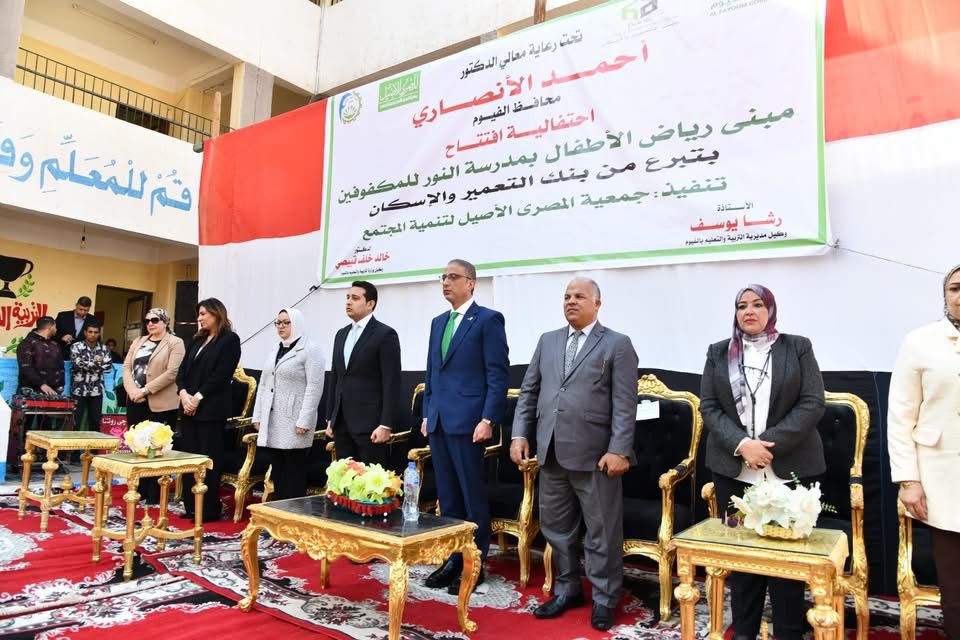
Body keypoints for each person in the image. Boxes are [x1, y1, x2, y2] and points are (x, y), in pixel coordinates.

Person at [510, 277, 638, 631]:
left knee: (602, 533)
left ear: (597, 303)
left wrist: (619, 449)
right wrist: (519, 434)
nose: (571, 301)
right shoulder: (548, 341)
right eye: (566, 296)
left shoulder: (617, 344)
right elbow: (529, 392)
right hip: (551, 452)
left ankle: (604, 599)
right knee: (556, 530)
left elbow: (625, 404)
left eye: (580, 296)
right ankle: (567, 590)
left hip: (596, 457)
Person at [699, 284, 825, 640]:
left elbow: (812, 402)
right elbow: (709, 406)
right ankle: (743, 632)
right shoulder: (718, 352)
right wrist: (742, 445)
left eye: (757, 304)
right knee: (742, 558)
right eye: (742, 306)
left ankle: (788, 632)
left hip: (789, 469)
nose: (749, 311)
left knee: (786, 561)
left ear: (771, 309)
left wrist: (767, 446)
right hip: (734, 473)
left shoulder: (797, 347)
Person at [421, 259, 509, 594]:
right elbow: (432, 373)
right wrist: (428, 413)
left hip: (470, 422)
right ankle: (453, 558)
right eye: (443, 277)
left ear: (471, 283)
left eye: (453, 277)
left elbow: (497, 375)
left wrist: (488, 419)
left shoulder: (487, 320)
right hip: (440, 421)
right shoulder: (437, 322)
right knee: (448, 496)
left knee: (472, 496)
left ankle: (475, 562)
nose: (446, 282)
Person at [888, 264, 960, 640]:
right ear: (945, 296)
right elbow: (901, 415)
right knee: (955, 581)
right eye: (955, 288)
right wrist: (908, 480)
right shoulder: (921, 341)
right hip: (942, 477)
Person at [176, 298, 241, 522]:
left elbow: (221, 374)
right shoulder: (197, 339)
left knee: (207, 460)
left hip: (210, 410)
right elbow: (182, 370)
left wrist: (197, 398)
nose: (199, 318)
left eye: (203, 313)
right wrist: (183, 394)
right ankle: (191, 506)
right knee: (189, 458)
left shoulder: (229, 340)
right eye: (199, 314)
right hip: (188, 407)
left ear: (216, 313)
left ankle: (208, 509)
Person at [324, 281, 402, 467]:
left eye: (355, 298)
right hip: (341, 423)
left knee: (370, 482)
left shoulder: (385, 334)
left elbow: (391, 382)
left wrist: (385, 424)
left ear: (370, 304)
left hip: (370, 425)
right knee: (344, 479)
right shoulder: (341, 334)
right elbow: (335, 377)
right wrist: (330, 418)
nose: (349, 302)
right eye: (347, 297)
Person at [252, 308, 325, 500]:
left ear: (297, 323)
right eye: (278, 323)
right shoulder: (276, 348)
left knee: (293, 472)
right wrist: (258, 416)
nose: (281, 326)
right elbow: (264, 384)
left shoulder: (310, 349)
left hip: (295, 421)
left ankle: (292, 514)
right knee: (278, 471)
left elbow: (315, 387)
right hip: (274, 420)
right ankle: (278, 513)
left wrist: (304, 420)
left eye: (286, 322)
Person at [122, 308, 185, 502]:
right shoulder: (138, 341)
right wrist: (133, 391)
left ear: (165, 322)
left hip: (162, 402)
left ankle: (155, 492)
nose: (150, 323)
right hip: (135, 400)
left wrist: (145, 390)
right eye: (147, 320)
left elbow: (172, 372)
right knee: (138, 444)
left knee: (157, 446)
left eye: (155, 320)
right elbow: (127, 367)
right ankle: (139, 487)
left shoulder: (175, 342)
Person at [69, 320, 112, 430]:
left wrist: (87, 365)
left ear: (99, 333)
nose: (93, 334)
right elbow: (77, 365)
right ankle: (72, 442)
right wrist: (98, 364)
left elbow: (108, 368)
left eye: (96, 332)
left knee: (95, 422)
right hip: (78, 389)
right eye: (90, 332)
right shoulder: (76, 347)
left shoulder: (104, 348)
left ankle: (93, 442)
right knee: (75, 422)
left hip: (96, 390)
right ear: (85, 333)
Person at [17, 316, 64, 395]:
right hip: (30, 391)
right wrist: (42, 384)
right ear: (51, 327)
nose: (56, 329)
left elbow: (60, 367)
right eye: (55, 327)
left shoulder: (55, 345)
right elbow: (26, 367)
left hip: (52, 392)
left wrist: (60, 386)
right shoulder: (27, 343)